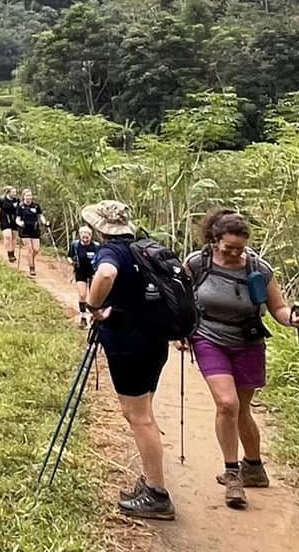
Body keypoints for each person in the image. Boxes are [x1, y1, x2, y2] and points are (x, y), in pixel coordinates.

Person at [184, 208, 299, 510]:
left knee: (242, 409)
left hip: (249, 340)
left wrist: (292, 320)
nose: (236, 253)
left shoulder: (258, 267)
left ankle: (254, 467)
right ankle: (232, 474)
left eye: (241, 248)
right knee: (227, 404)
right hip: (209, 337)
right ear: (215, 241)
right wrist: (179, 330)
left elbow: (278, 308)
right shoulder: (197, 264)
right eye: (229, 248)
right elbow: (183, 301)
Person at [82, 199, 176, 521]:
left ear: (100, 228)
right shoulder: (142, 248)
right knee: (143, 411)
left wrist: (93, 307)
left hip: (128, 342)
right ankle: (152, 481)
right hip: (155, 341)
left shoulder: (112, 252)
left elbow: (106, 274)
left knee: (138, 417)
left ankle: (157, 494)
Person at [68, 225, 96, 328]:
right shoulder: (75, 245)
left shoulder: (96, 246)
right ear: (80, 236)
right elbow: (69, 256)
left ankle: (94, 317)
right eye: (83, 237)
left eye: (87, 237)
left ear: (90, 236)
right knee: (82, 295)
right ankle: (83, 317)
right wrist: (72, 262)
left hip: (93, 273)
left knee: (94, 296)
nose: (85, 239)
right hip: (80, 272)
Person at [16, 189, 45, 276]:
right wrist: (20, 223)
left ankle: (30, 259)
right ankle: (32, 268)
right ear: (23, 196)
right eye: (27, 195)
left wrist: (44, 222)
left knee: (36, 249)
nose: (29, 197)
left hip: (35, 229)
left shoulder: (36, 206)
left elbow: (40, 215)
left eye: (30, 195)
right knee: (30, 249)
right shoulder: (20, 206)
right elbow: (17, 218)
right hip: (25, 230)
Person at [0, 187, 19, 263]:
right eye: (13, 192)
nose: (15, 194)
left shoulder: (17, 200)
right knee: (8, 236)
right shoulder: (2, 200)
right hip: (4, 218)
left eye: (15, 192)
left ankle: (12, 252)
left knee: (14, 237)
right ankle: (9, 253)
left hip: (14, 219)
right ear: (8, 193)